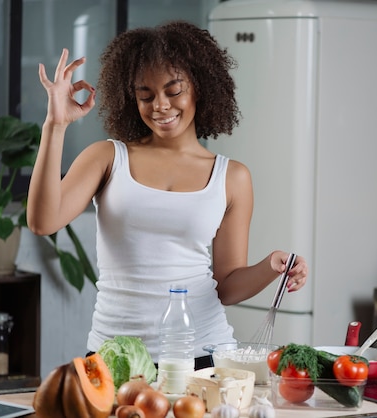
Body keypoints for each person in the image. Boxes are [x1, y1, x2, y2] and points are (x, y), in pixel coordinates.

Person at [27, 21, 308, 368]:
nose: (160, 105)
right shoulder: (107, 157)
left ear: (200, 88)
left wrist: (271, 266)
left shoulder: (232, 176)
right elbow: (42, 221)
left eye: (173, 91)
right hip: (116, 357)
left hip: (204, 356)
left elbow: (227, 286)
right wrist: (54, 125)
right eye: (145, 95)